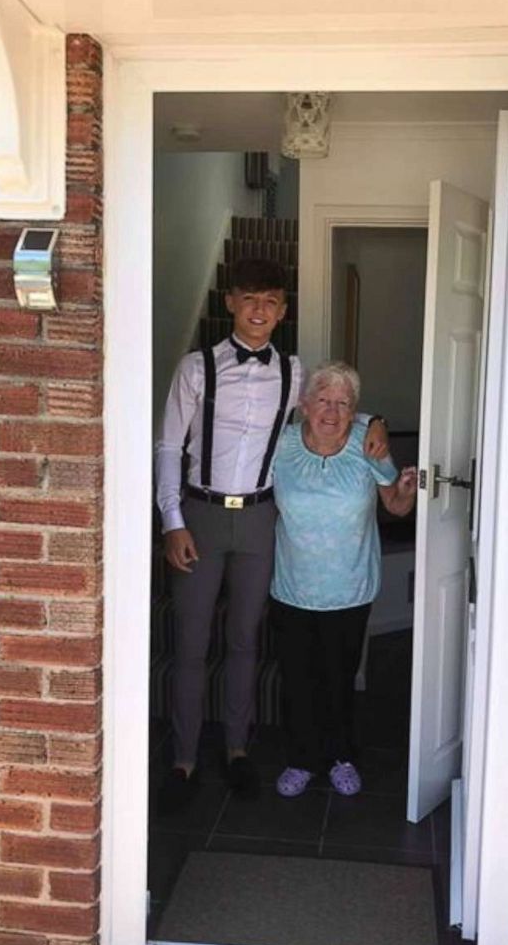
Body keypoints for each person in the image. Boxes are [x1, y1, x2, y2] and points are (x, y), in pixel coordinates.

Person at [155, 258, 388, 806]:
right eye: (249, 298)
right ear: (231, 302)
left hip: (261, 519)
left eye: (271, 301)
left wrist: (372, 419)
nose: (260, 310)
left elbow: (331, 407)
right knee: (190, 644)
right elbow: (168, 446)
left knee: (244, 642)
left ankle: (237, 752)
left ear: (282, 311)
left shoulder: (293, 372)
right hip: (201, 514)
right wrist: (171, 521)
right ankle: (184, 759)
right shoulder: (196, 368)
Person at [269, 361, 417, 798]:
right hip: (293, 586)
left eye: (343, 403)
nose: (331, 412)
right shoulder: (281, 446)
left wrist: (405, 491)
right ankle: (301, 759)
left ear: (355, 411)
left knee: (339, 677)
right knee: (297, 679)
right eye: (323, 400)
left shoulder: (366, 445)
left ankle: (340, 757)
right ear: (304, 404)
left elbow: (395, 504)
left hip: (348, 588)